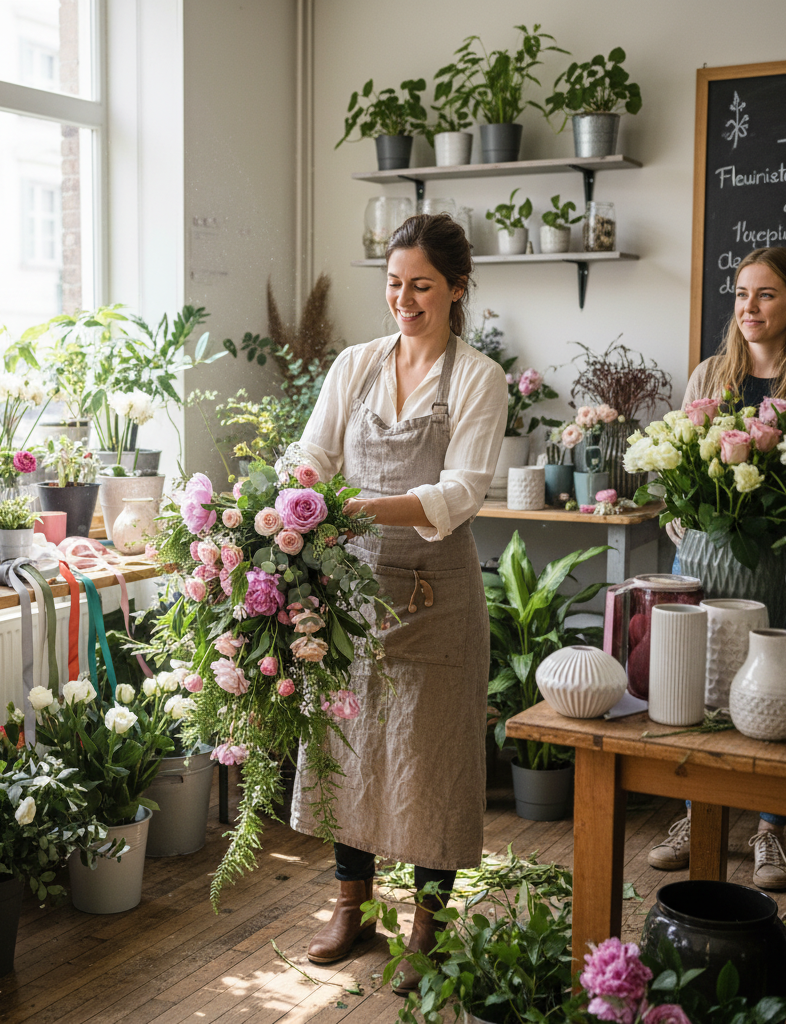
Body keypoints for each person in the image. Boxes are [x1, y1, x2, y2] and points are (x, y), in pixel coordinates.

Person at [281, 214, 507, 994]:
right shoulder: (356, 364)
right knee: (353, 753)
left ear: (455, 290)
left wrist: (356, 507)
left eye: (421, 285)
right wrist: (301, 491)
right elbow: (313, 449)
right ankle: (352, 907)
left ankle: (429, 924)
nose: (404, 299)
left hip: (437, 600)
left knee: (432, 762)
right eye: (394, 283)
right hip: (351, 603)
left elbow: (461, 491)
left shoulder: (478, 378)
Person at [653, 245, 786, 890]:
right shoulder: (711, 374)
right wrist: (676, 512)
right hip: (709, 552)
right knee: (702, 679)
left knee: (778, 690)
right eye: (740, 295)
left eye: (765, 295)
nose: (749, 308)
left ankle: (770, 833)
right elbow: (678, 452)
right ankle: (695, 816)